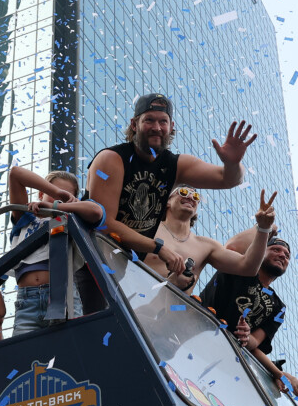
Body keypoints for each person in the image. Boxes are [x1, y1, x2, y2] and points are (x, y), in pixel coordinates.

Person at [85, 93, 257, 274]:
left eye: (163, 122)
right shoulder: (112, 160)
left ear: (171, 126)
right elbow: (104, 224)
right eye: (149, 120)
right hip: (85, 254)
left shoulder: (175, 165)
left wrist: (232, 164)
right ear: (134, 124)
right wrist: (159, 248)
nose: (156, 128)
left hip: (120, 267)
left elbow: (229, 179)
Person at [200, 233, 298, 397]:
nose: (282, 255)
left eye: (287, 256)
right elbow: (232, 247)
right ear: (262, 250)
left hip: (225, 365)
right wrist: (264, 229)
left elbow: (254, 342)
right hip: (197, 332)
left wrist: (247, 336)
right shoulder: (238, 268)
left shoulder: (279, 307)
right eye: (276, 249)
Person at [6, 166, 105, 335]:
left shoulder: (72, 219)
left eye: (67, 196)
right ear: (40, 194)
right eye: (52, 193)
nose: (57, 199)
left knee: (68, 354)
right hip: (26, 302)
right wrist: (59, 194)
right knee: (24, 357)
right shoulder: (25, 218)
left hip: (63, 296)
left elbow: (96, 212)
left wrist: (57, 205)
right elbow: (15, 173)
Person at [146, 187, 276, 292]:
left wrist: (264, 228)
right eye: (183, 192)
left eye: (196, 197)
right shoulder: (147, 227)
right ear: (168, 201)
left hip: (167, 317)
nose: (191, 197)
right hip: (130, 303)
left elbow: (248, 267)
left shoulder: (206, 246)